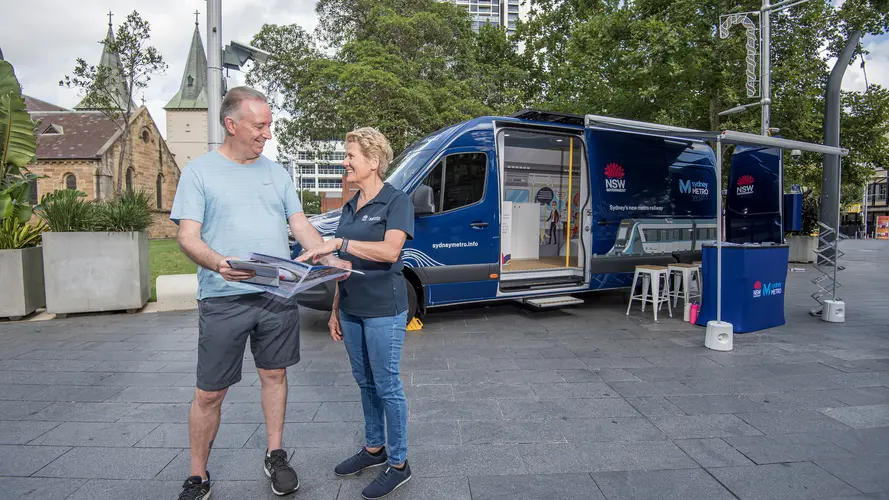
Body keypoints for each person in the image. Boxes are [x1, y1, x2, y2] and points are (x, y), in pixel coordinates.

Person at [170, 86, 349, 500]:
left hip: (276, 293)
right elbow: (186, 237)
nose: (268, 134)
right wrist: (218, 263)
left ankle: (275, 454)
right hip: (223, 296)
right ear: (231, 125)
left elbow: (300, 224)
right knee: (210, 391)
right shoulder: (199, 173)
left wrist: (325, 254)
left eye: (269, 125)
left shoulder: (277, 174)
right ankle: (198, 475)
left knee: (275, 374)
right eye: (260, 125)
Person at [297, 127, 414, 500]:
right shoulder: (350, 205)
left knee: (387, 384)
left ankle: (398, 464)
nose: (344, 162)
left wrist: (340, 241)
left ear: (374, 161)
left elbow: (390, 252)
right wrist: (334, 308)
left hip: (383, 309)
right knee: (365, 383)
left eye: (350, 156)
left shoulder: (397, 201)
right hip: (350, 309)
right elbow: (342, 264)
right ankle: (374, 448)